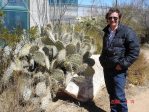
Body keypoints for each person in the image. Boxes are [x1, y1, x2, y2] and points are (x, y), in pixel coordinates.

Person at [99, 8, 140, 112]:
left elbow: (134, 51)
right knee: (112, 95)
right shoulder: (107, 32)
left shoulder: (127, 32)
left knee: (119, 97)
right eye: (110, 18)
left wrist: (121, 65)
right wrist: (102, 60)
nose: (112, 20)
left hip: (119, 70)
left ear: (119, 18)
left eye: (115, 18)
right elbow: (105, 49)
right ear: (107, 19)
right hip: (107, 69)